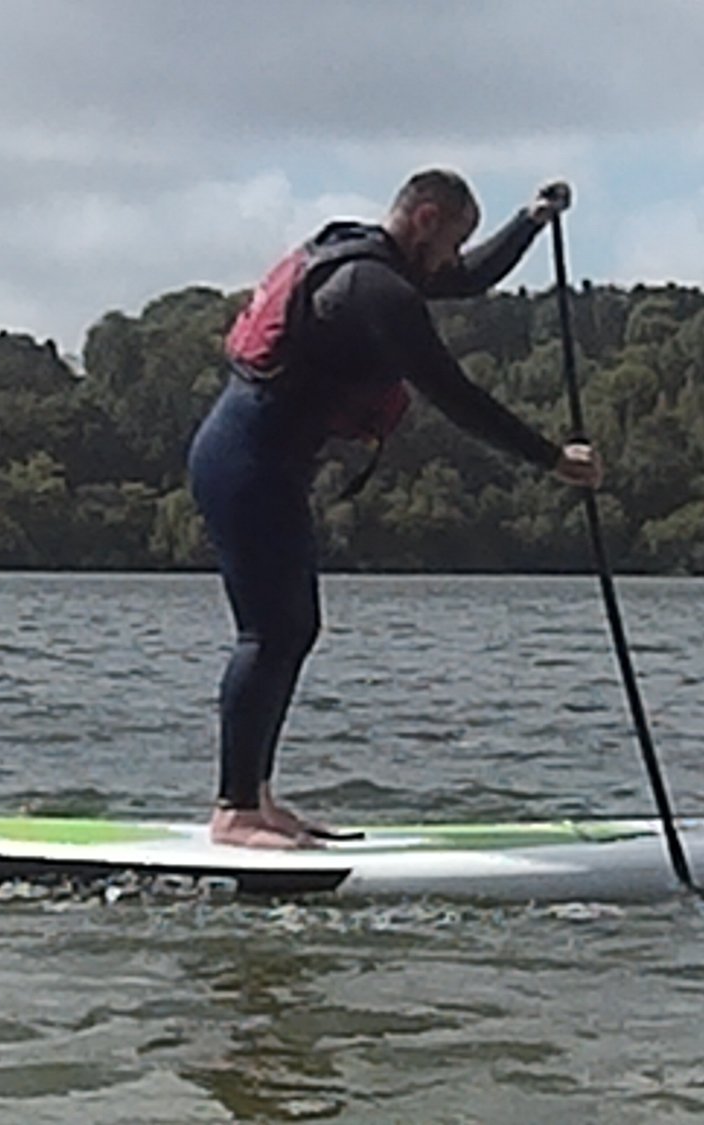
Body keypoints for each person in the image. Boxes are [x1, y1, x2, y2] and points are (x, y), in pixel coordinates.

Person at [188, 169, 603, 848]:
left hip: (262, 465)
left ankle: (255, 796)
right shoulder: (372, 288)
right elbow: (453, 393)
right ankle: (233, 811)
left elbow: (469, 277)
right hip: (243, 465)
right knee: (270, 633)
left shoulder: (371, 265)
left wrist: (531, 219)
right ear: (426, 218)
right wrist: (552, 458)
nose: (448, 262)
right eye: (450, 241)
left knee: (292, 629)